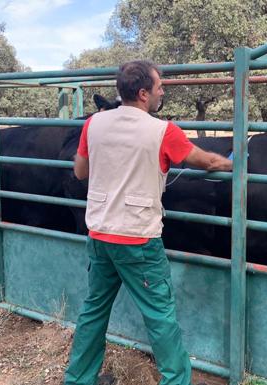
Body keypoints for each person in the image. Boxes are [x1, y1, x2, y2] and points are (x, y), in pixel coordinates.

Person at [64, 60, 232, 385]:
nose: (162, 92)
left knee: (94, 310)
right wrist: (234, 162)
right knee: (160, 316)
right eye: (159, 87)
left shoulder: (93, 124)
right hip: (138, 241)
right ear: (143, 94)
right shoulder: (162, 130)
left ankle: (78, 379)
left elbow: (80, 172)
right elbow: (207, 160)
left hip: (99, 234)